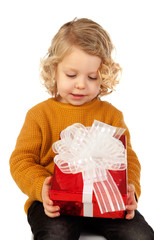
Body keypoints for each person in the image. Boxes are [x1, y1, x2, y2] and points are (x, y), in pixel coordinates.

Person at [9, 18, 154, 240]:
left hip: (105, 201)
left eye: (92, 77)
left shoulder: (111, 115)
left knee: (139, 235)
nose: (81, 84)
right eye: (71, 75)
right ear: (54, 70)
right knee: (55, 234)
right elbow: (21, 160)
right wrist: (41, 188)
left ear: (103, 76)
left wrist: (131, 190)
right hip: (53, 205)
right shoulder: (39, 115)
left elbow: (128, 159)